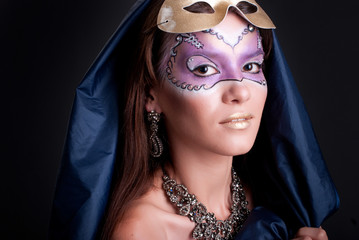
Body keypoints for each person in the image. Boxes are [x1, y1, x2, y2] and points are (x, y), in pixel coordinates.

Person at [50, 0, 339, 239]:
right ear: (152, 95)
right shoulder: (142, 231)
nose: (239, 91)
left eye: (251, 65)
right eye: (204, 69)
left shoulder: (283, 202)